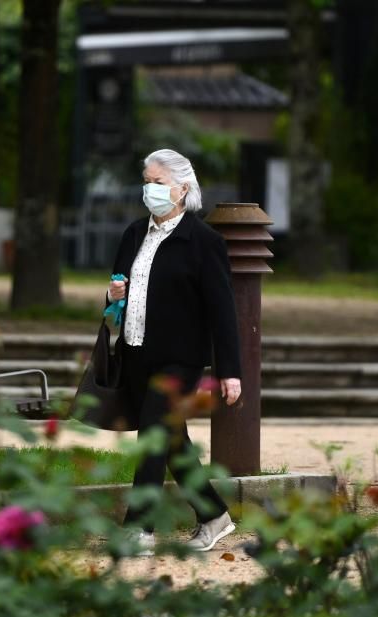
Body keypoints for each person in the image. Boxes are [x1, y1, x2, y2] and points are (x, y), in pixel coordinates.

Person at [107, 148, 242, 554]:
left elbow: (223, 311)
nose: (150, 189)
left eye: (159, 182)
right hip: (136, 352)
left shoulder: (203, 242)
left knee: (152, 437)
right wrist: (113, 294)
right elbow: (117, 294)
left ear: (183, 189)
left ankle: (139, 529)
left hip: (179, 359)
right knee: (172, 442)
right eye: (147, 181)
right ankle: (214, 517)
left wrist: (230, 371)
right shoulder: (134, 233)